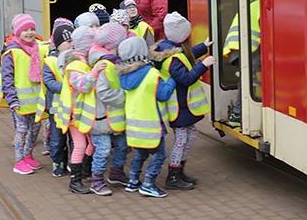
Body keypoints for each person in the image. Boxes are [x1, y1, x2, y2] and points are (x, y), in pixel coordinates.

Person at [151, 13, 216, 190]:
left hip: (183, 106)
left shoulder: (168, 47)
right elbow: (186, 78)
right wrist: (203, 65)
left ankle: (179, 170)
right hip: (179, 107)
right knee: (181, 140)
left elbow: (186, 54)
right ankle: (173, 176)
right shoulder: (173, 59)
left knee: (190, 135)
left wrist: (204, 47)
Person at [117, 37, 177, 198]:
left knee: (140, 154)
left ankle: (133, 180)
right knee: (160, 154)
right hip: (152, 126)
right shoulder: (151, 74)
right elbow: (163, 94)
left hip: (134, 126)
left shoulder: (123, 76)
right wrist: (171, 80)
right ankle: (149, 183)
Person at [0, 13, 49, 175]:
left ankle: (28, 155)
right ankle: (19, 161)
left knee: (35, 127)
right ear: (17, 32)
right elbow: (7, 78)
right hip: (19, 101)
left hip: (35, 101)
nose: (29, 33)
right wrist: (12, 100)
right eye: (25, 30)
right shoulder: (12, 52)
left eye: (32, 29)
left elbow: (51, 46)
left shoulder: (38, 47)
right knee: (22, 129)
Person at [86, 23, 129, 196]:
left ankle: (116, 172)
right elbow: (103, 92)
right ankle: (96, 180)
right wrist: (125, 95)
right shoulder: (106, 64)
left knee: (122, 145)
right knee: (103, 149)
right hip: (102, 117)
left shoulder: (111, 62)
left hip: (112, 117)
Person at [59, 26, 102, 194]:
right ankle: (74, 180)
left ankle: (85, 171)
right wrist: (96, 72)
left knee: (91, 143)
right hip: (74, 114)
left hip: (84, 112)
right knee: (80, 144)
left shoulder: (83, 62)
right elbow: (83, 86)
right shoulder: (75, 66)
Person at [222, 0, 261, 126]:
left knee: (247, 78)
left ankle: (238, 114)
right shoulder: (261, 4)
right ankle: (238, 115)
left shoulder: (252, 1)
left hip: (238, 46)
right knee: (251, 79)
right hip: (247, 46)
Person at [42, 21, 74, 178]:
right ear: (59, 44)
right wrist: (67, 88)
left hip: (73, 108)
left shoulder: (76, 58)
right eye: (68, 42)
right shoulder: (50, 61)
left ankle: (74, 163)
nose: (71, 45)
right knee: (57, 139)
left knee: (75, 138)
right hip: (56, 109)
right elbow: (48, 82)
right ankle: (58, 161)